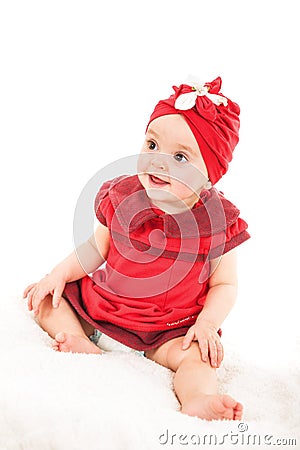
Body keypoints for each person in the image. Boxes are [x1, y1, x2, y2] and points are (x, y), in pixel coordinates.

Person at [23, 76, 250, 421]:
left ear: (209, 175)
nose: (158, 161)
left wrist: (206, 324)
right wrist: (57, 274)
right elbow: (94, 249)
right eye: (152, 145)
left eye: (180, 157)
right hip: (101, 310)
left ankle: (198, 398)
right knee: (46, 301)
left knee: (197, 358)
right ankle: (79, 340)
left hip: (169, 330)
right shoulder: (123, 196)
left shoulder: (216, 223)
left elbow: (225, 285)